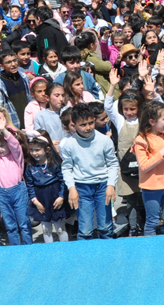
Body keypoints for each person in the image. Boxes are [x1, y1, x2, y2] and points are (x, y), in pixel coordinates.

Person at [60, 103, 119, 240]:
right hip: (82, 187)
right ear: (73, 125)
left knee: (105, 227)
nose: (88, 128)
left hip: (102, 186)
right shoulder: (69, 144)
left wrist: (111, 185)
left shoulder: (104, 140)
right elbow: (67, 168)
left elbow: (113, 164)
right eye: (83, 124)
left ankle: (109, 256)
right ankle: (85, 258)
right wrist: (72, 188)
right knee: (85, 230)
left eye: (91, 123)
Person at [0, 107, 32, 245]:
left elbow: (15, 144)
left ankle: (28, 247)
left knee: (24, 223)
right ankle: (15, 249)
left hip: (18, 191)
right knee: (10, 226)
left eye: (2, 145)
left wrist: (4, 130)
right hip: (2, 193)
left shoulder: (16, 156)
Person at [134, 100, 164, 236]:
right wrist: (162, 152)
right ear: (152, 121)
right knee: (152, 222)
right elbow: (144, 166)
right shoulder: (141, 140)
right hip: (151, 188)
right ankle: (151, 252)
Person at [24, 130, 68, 243]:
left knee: (60, 227)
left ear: (47, 149)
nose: (34, 153)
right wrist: (36, 202)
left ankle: (66, 249)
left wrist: (61, 197)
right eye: (32, 150)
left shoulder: (54, 164)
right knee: (46, 228)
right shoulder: (30, 166)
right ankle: (49, 251)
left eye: (37, 150)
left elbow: (63, 181)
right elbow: (30, 186)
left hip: (55, 196)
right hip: (41, 199)